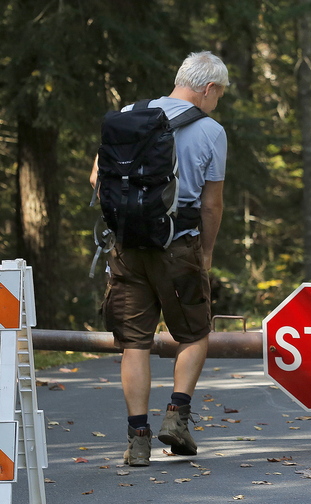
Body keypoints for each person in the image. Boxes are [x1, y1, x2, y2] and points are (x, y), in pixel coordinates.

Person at [89, 51, 229, 466]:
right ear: (208, 88)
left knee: (134, 343)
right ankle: (177, 416)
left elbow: (99, 178)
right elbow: (212, 205)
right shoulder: (211, 130)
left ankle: (137, 440)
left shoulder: (130, 113)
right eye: (219, 93)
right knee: (194, 333)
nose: (218, 101)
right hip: (177, 244)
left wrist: (123, 220)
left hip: (127, 246)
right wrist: (204, 252)